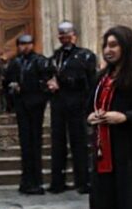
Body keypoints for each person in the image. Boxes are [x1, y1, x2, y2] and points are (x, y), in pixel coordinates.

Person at [88, 26, 132, 209]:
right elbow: (88, 107)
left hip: (131, 153)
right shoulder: (101, 78)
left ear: (126, 47)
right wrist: (91, 117)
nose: (107, 50)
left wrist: (125, 117)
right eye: (105, 45)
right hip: (103, 150)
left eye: (113, 45)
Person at [48, 21, 96, 194]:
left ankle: (83, 181)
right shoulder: (55, 56)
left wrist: (63, 82)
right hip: (59, 104)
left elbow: (89, 81)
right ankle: (57, 182)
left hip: (78, 104)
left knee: (80, 143)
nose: (64, 38)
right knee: (57, 143)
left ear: (74, 35)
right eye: (61, 35)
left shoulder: (85, 56)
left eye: (67, 34)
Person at [5, 34, 53, 195]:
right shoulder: (15, 63)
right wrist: (13, 91)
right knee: (26, 145)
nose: (25, 47)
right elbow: (7, 82)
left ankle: (37, 181)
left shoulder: (40, 61)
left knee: (35, 144)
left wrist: (39, 97)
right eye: (22, 44)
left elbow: (47, 82)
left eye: (28, 44)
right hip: (22, 107)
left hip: (35, 106)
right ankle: (26, 181)